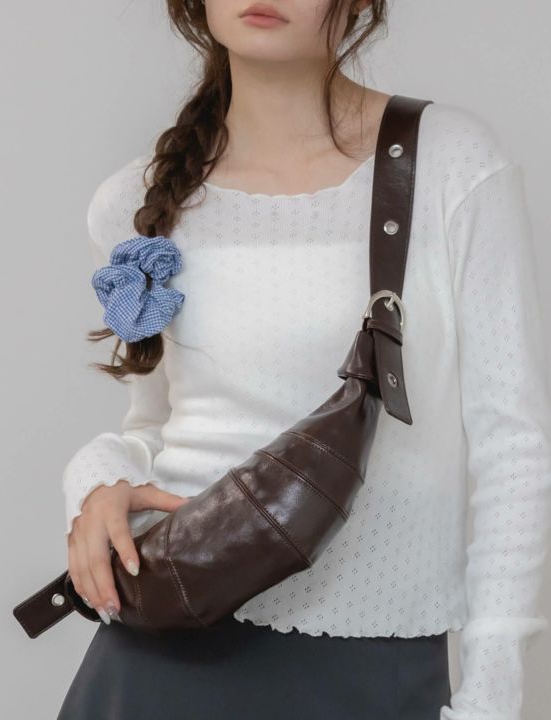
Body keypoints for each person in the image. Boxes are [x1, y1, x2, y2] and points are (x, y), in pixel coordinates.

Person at [56, 1, 551, 718]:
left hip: (371, 666)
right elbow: (153, 428)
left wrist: (494, 692)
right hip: (162, 657)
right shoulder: (136, 202)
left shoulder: (451, 162)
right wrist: (99, 483)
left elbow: (514, 444)